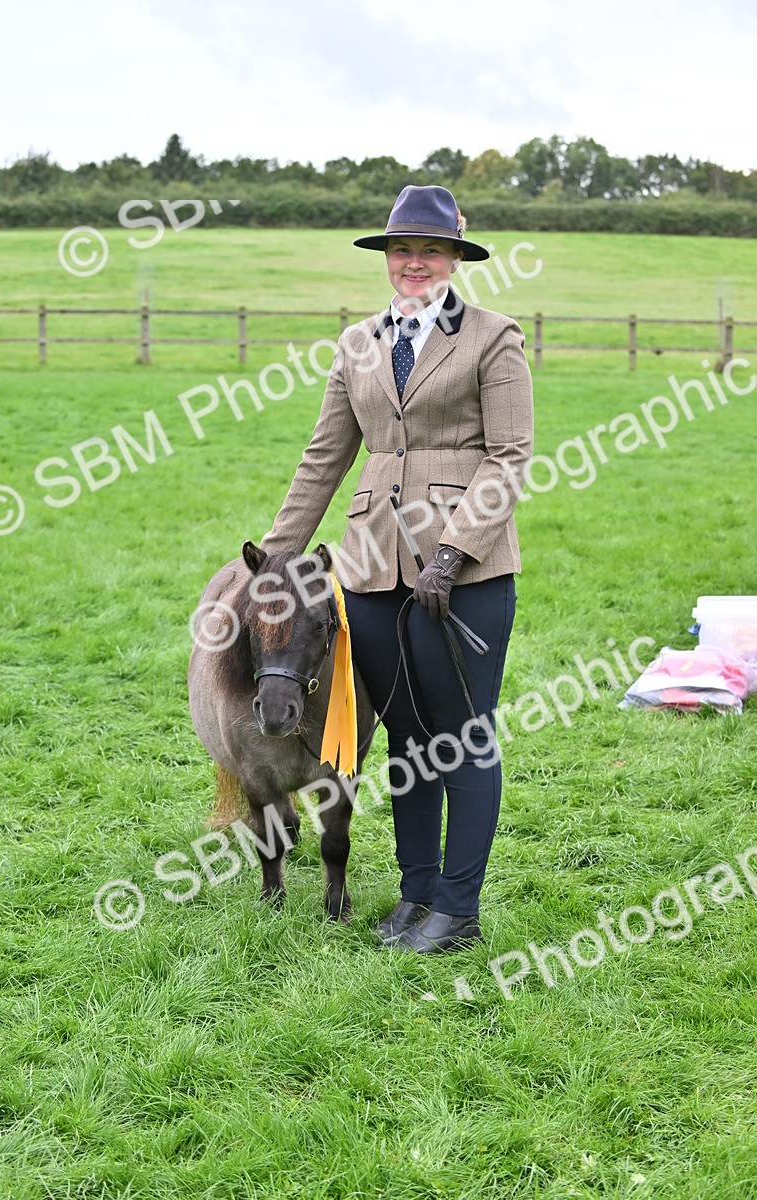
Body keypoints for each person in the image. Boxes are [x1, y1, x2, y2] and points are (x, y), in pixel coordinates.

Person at [260, 185, 534, 953]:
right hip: (372, 567)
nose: (415, 262)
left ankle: (459, 907)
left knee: (461, 737)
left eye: (431, 249)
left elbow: (511, 458)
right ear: (387, 258)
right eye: (402, 249)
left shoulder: (493, 337)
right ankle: (415, 896)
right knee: (406, 736)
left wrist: (455, 551)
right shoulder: (357, 344)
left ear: (454, 257)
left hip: (464, 577)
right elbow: (325, 457)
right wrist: (277, 557)